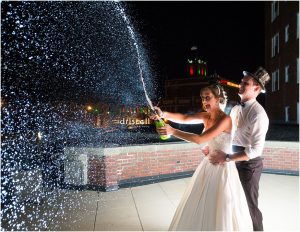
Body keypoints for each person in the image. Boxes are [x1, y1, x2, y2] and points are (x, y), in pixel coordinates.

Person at [152, 84, 253, 231]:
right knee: (200, 204)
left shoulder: (225, 120)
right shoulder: (206, 116)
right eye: (202, 98)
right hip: (207, 165)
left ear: (218, 99)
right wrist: (163, 114)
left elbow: (200, 139)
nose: (204, 101)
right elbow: (185, 118)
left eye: (208, 97)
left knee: (219, 206)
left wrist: (173, 131)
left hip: (222, 168)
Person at [209, 67, 270, 231]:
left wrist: (226, 157)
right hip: (232, 159)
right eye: (242, 81)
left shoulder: (259, 114)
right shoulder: (236, 108)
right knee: (233, 202)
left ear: (256, 88)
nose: (241, 84)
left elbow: (255, 151)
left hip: (249, 165)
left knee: (250, 205)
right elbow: (223, 129)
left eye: (246, 83)